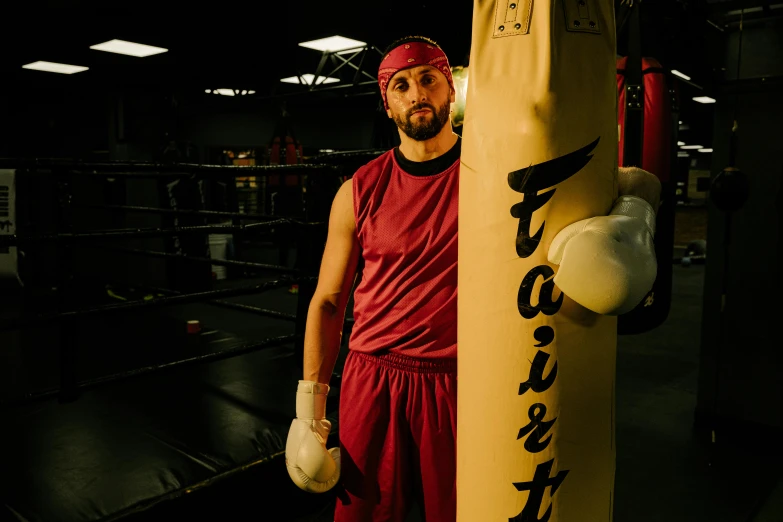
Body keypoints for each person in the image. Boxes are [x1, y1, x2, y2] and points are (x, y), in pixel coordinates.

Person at [285, 36, 662, 522]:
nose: (416, 93)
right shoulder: (358, 190)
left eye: (428, 79)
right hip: (373, 377)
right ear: (388, 104)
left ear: (450, 91)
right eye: (401, 85)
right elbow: (329, 300)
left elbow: (637, 178)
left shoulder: (496, 173)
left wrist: (634, 216)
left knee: (462, 512)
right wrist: (309, 408)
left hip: (460, 383)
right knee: (364, 515)